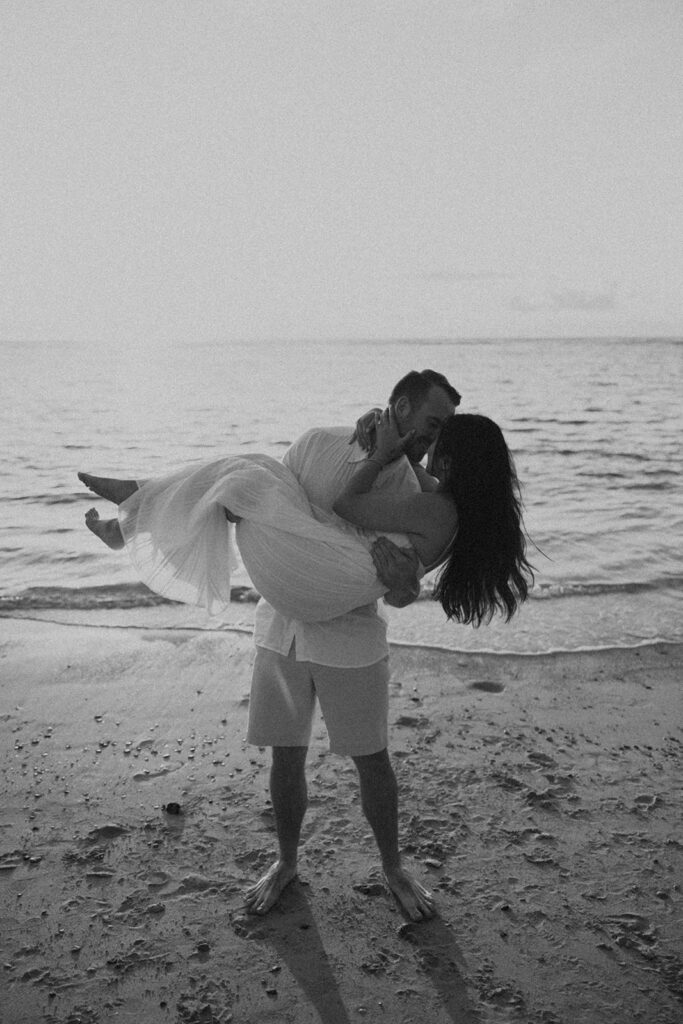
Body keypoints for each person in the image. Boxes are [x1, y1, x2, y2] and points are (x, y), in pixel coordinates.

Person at [79, 370, 532, 919]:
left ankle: (392, 867)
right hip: (285, 623)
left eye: (443, 436)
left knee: (251, 477)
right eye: (432, 425)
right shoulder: (372, 464)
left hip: (349, 630)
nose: (433, 442)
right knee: (285, 754)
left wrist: (389, 484)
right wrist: (391, 457)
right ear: (403, 407)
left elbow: (356, 517)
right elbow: (405, 555)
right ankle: (287, 862)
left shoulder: (428, 499)